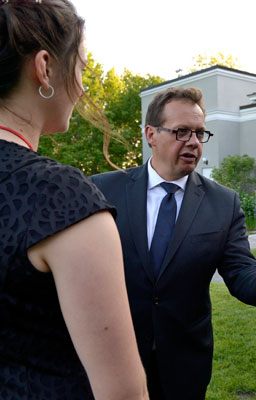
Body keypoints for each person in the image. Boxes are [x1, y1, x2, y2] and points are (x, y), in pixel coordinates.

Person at [91, 86, 256, 400]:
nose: (193, 142)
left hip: (184, 362)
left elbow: (239, 270)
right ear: (151, 134)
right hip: (112, 354)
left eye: (199, 133)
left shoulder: (222, 202)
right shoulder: (104, 189)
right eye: (182, 132)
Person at [0, 1, 148, 399]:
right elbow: (123, 394)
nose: (83, 87)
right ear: (45, 67)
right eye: (81, 68)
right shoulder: (58, 195)